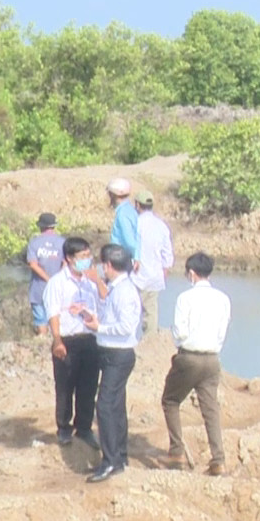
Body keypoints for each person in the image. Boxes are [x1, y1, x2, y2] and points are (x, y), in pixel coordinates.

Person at [160, 252, 232, 476]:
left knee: (170, 400)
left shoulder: (185, 298)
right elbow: (222, 332)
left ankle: (176, 451)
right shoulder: (223, 298)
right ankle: (218, 459)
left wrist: (182, 344)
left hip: (189, 357)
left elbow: (180, 332)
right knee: (210, 410)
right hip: (212, 359)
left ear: (191, 273)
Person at [80, 243, 142, 483]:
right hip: (111, 353)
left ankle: (111, 461)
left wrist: (100, 327)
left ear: (108, 265)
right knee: (115, 406)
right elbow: (113, 319)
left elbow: (127, 327)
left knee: (105, 406)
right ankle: (120, 456)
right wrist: (94, 320)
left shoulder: (125, 291)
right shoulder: (117, 288)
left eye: (101, 264)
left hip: (119, 355)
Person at [42, 236, 105, 450]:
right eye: (82, 256)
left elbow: (106, 301)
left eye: (89, 256)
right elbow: (53, 312)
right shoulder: (57, 283)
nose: (87, 260)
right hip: (67, 340)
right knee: (65, 386)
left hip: (90, 339)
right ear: (69, 258)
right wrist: (57, 340)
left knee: (88, 386)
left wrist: (97, 280)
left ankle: (85, 428)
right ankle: (64, 428)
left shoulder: (90, 283)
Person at [129, 191, 174, 335]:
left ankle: (129, 342)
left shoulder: (135, 224)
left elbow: (128, 247)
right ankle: (150, 343)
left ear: (137, 205)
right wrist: (165, 271)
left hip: (135, 275)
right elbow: (167, 252)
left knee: (130, 311)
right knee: (151, 313)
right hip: (154, 276)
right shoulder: (161, 226)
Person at [27, 212, 66, 336]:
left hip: (38, 288)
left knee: (40, 320)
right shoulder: (63, 242)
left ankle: (42, 342)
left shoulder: (34, 243)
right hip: (58, 289)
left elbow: (33, 265)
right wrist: (57, 280)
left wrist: (48, 279)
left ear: (40, 226)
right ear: (53, 226)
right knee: (55, 317)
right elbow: (66, 263)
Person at [106, 178, 140, 270]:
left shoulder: (122, 214)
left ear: (112, 195)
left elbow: (130, 242)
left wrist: (136, 258)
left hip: (122, 261)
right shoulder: (130, 210)